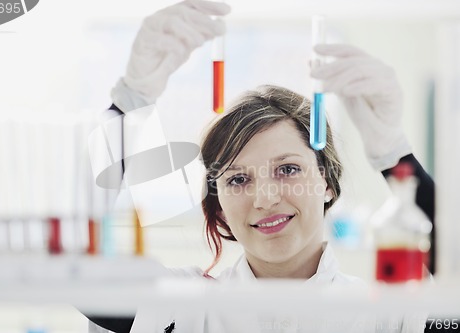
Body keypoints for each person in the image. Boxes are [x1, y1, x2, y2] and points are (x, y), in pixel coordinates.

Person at [87, 1, 435, 332]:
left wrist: (393, 152)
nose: (265, 199)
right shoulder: (182, 309)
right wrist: (128, 104)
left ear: (326, 180)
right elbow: (74, 270)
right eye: (238, 179)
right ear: (219, 205)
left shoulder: (386, 316)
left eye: (287, 169)